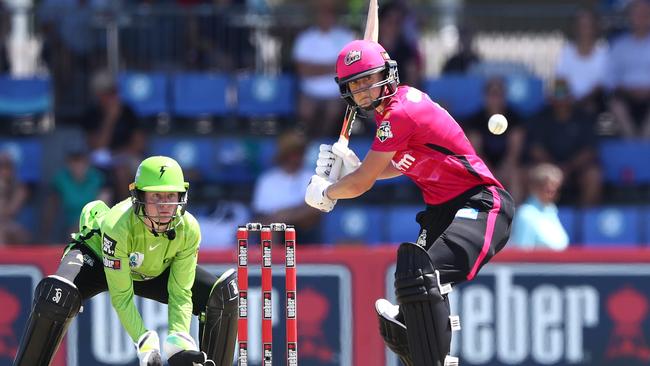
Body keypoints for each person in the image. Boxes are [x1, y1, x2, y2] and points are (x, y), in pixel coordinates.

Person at [305, 39, 514, 366]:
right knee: (411, 296)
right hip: (441, 211)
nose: (362, 91)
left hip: (481, 202)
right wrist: (359, 168)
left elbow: (361, 185)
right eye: (355, 85)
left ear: (386, 75)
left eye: (368, 80)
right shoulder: (390, 112)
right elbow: (394, 166)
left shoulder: (400, 113)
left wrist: (326, 192)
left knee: (421, 275)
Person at [14, 156, 238, 366]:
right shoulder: (117, 224)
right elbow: (121, 296)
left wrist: (178, 339)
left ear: (181, 197)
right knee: (56, 295)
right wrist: (143, 341)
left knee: (223, 296)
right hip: (97, 258)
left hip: (151, 269)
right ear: (139, 197)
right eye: (156, 196)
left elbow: (180, 291)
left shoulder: (189, 228)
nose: (164, 206)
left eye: (171, 196)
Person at [252, 130, 322, 244]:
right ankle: (273, 260)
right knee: (269, 226)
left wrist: (288, 215)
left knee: (311, 213)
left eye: (300, 152)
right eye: (294, 153)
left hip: (303, 228)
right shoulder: (267, 180)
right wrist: (281, 218)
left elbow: (315, 209)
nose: (298, 157)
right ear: (284, 154)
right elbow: (262, 213)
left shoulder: (311, 177)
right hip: (275, 228)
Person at [510, 163, 569, 250]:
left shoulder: (551, 210)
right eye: (549, 190)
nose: (554, 194)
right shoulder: (526, 214)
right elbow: (522, 252)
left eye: (557, 189)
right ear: (535, 187)